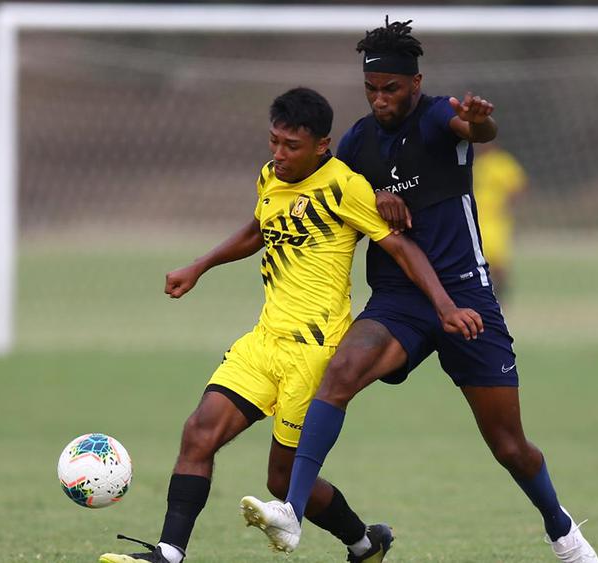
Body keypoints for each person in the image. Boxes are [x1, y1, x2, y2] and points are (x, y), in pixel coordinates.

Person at [241, 19, 598, 563]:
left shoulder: (437, 116)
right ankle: (291, 511)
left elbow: (474, 131)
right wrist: (377, 191)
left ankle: (562, 531)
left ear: (416, 82)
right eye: (371, 90)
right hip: (399, 302)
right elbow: (333, 188)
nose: (381, 100)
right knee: (338, 376)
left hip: (467, 298)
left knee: (510, 447)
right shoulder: (359, 140)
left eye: (391, 89)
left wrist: (480, 123)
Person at [98, 87, 481, 563]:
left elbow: (402, 248)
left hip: (313, 351)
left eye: (290, 146)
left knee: (281, 481)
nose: (278, 154)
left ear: (322, 145)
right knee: (199, 433)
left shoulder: (344, 186)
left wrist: (444, 305)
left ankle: (365, 542)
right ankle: (169, 554)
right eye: (274, 141)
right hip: (263, 342)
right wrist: (199, 265)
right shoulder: (270, 178)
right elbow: (258, 229)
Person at [472, 142, 528, 302]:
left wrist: (507, 205)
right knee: (478, 262)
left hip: (496, 221)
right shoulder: (473, 163)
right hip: (476, 220)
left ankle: (500, 299)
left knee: (498, 265)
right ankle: (483, 298)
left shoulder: (502, 162)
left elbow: (518, 187)